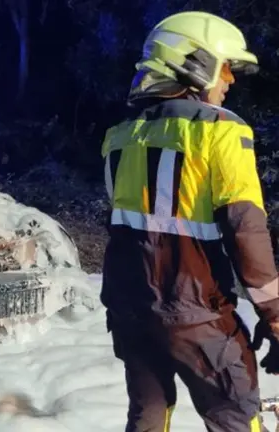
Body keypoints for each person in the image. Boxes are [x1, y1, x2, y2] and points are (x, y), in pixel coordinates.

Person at [101, 11, 279, 432]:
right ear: (194, 63)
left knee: (147, 415)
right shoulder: (222, 132)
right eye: (226, 68)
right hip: (199, 317)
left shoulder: (120, 135)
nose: (230, 81)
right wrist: (274, 316)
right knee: (235, 416)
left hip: (130, 312)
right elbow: (246, 231)